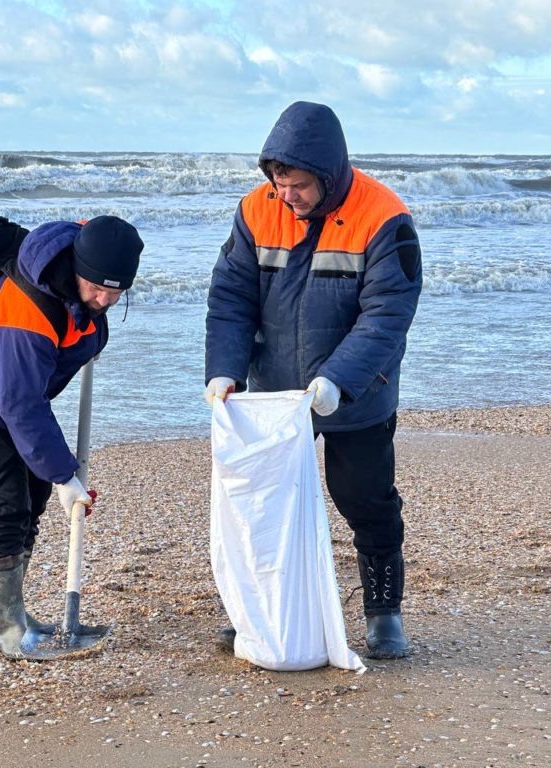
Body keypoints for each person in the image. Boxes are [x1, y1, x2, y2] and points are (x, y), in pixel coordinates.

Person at [204, 102, 422, 660]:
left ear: (327, 176)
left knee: (364, 499)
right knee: (267, 506)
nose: (287, 196)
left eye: (298, 185)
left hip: (356, 394)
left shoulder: (384, 217)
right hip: (274, 395)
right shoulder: (256, 209)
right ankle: (259, 612)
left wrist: (334, 383)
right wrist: (224, 370)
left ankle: (384, 612)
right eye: (279, 183)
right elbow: (231, 296)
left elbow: (386, 317)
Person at [0, 215, 143, 660]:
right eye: (96, 288)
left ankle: (1, 618)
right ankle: (8, 630)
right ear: (75, 268)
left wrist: (54, 477)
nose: (104, 298)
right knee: (3, 502)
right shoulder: (25, 307)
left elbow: (78, 328)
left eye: (115, 291)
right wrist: (68, 477)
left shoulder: (85, 286)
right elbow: (21, 406)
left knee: (34, 488)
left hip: (11, 390)